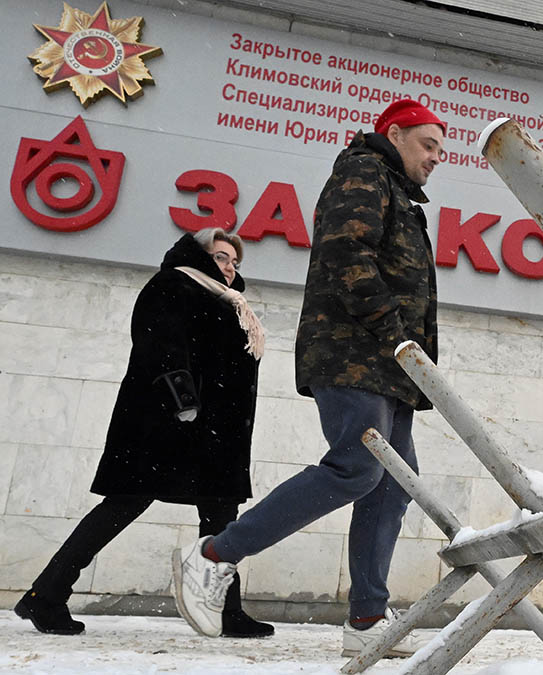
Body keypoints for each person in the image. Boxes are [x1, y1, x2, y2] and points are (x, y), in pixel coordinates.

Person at [173, 98, 444, 657]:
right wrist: (395, 334)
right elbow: (348, 254)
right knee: (356, 468)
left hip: (387, 363)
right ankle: (214, 555)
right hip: (354, 352)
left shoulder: (398, 193)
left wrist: (410, 356)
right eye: (428, 144)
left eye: (442, 149)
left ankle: (367, 618)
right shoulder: (365, 172)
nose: (437, 156)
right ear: (395, 134)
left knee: (395, 483)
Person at [15, 228, 271, 638]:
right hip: (166, 423)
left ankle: (226, 609)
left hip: (215, 433)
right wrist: (183, 400)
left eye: (235, 262)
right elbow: (160, 344)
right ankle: (46, 595)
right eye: (221, 257)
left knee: (221, 516)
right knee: (125, 503)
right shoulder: (173, 284)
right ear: (199, 255)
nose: (229, 267)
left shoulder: (227, 302)